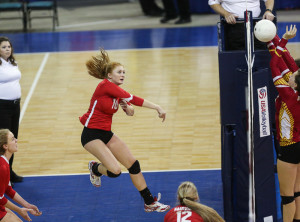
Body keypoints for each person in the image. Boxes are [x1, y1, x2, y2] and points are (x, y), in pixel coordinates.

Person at [79, 48, 170, 213]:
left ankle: (149, 202)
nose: (123, 75)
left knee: (133, 165)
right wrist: (157, 107)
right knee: (115, 171)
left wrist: (126, 107)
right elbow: (134, 99)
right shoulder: (105, 85)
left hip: (106, 134)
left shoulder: (115, 92)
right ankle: (94, 168)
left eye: (124, 72)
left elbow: (130, 111)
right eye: (119, 72)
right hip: (91, 135)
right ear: (109, 76)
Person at [267, 25, 300, 222]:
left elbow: (275, 66)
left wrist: (284, 40)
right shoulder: (295, 90)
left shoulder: (288, 95)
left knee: (287, 195)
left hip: (288, 147)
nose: (292, 73)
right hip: (299, 143)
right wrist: (275, 37)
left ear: (294, 84)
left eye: (294, 76)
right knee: (297, 191)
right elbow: (285, 61)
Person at [0, 129, 42, 222]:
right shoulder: (2, 167)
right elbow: (0, 199)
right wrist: (19, 210)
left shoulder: (5, 163)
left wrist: (27, 205)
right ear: (5, 146)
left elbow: (8, 190)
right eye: (12, 139)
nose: (16, 140)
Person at [0, 36, 23, 186]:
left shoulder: (12, 63)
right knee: (4, 141)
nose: (7, 49)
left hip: (15, 105)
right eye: (3, 47)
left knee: (13, 138)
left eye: (9, 46)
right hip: (2, 106)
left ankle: (10, 170)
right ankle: (3, 176)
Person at [208, 0, 275, 50]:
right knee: (235, 57)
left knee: (260, 55)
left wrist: (268, 11)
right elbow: (213, 2)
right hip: (233, 26)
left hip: (256, 26)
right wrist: (226, 13)